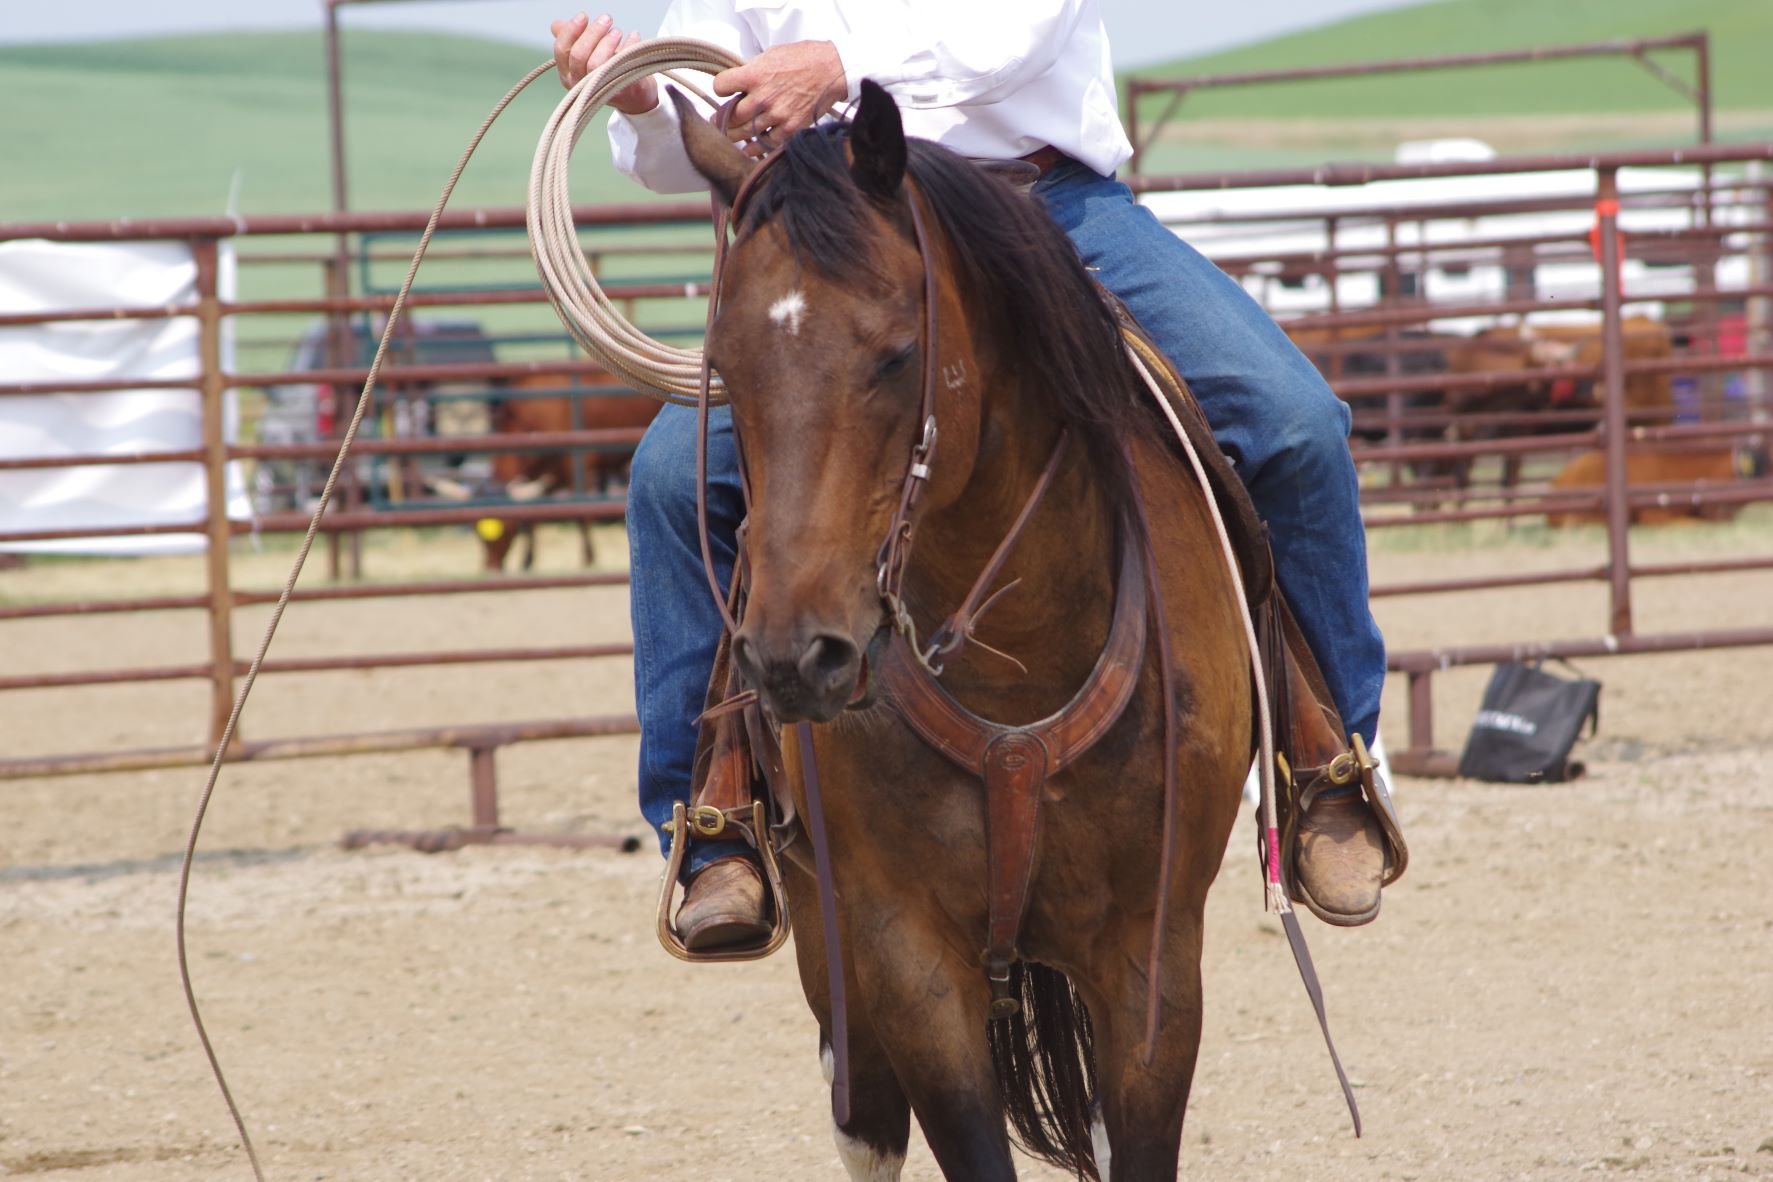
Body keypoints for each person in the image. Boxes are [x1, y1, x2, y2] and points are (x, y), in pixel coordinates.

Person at [549, 2, 1397, 943]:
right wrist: (640, 104)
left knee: (1289, 422)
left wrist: (839, 65)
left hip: (1040, 205)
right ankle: (712, 819)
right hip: (843, 225)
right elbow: (693, 133)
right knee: (672, 477)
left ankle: (1328, 761)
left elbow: (1016, 32)